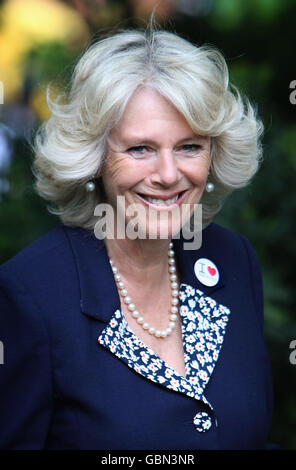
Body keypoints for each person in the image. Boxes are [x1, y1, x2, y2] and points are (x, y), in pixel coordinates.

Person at [0, 25, 273, 450]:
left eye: (189, 147)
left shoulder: (233, 260)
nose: (167, 175)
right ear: (94, 158)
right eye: (140, 149)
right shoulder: (30, 294)